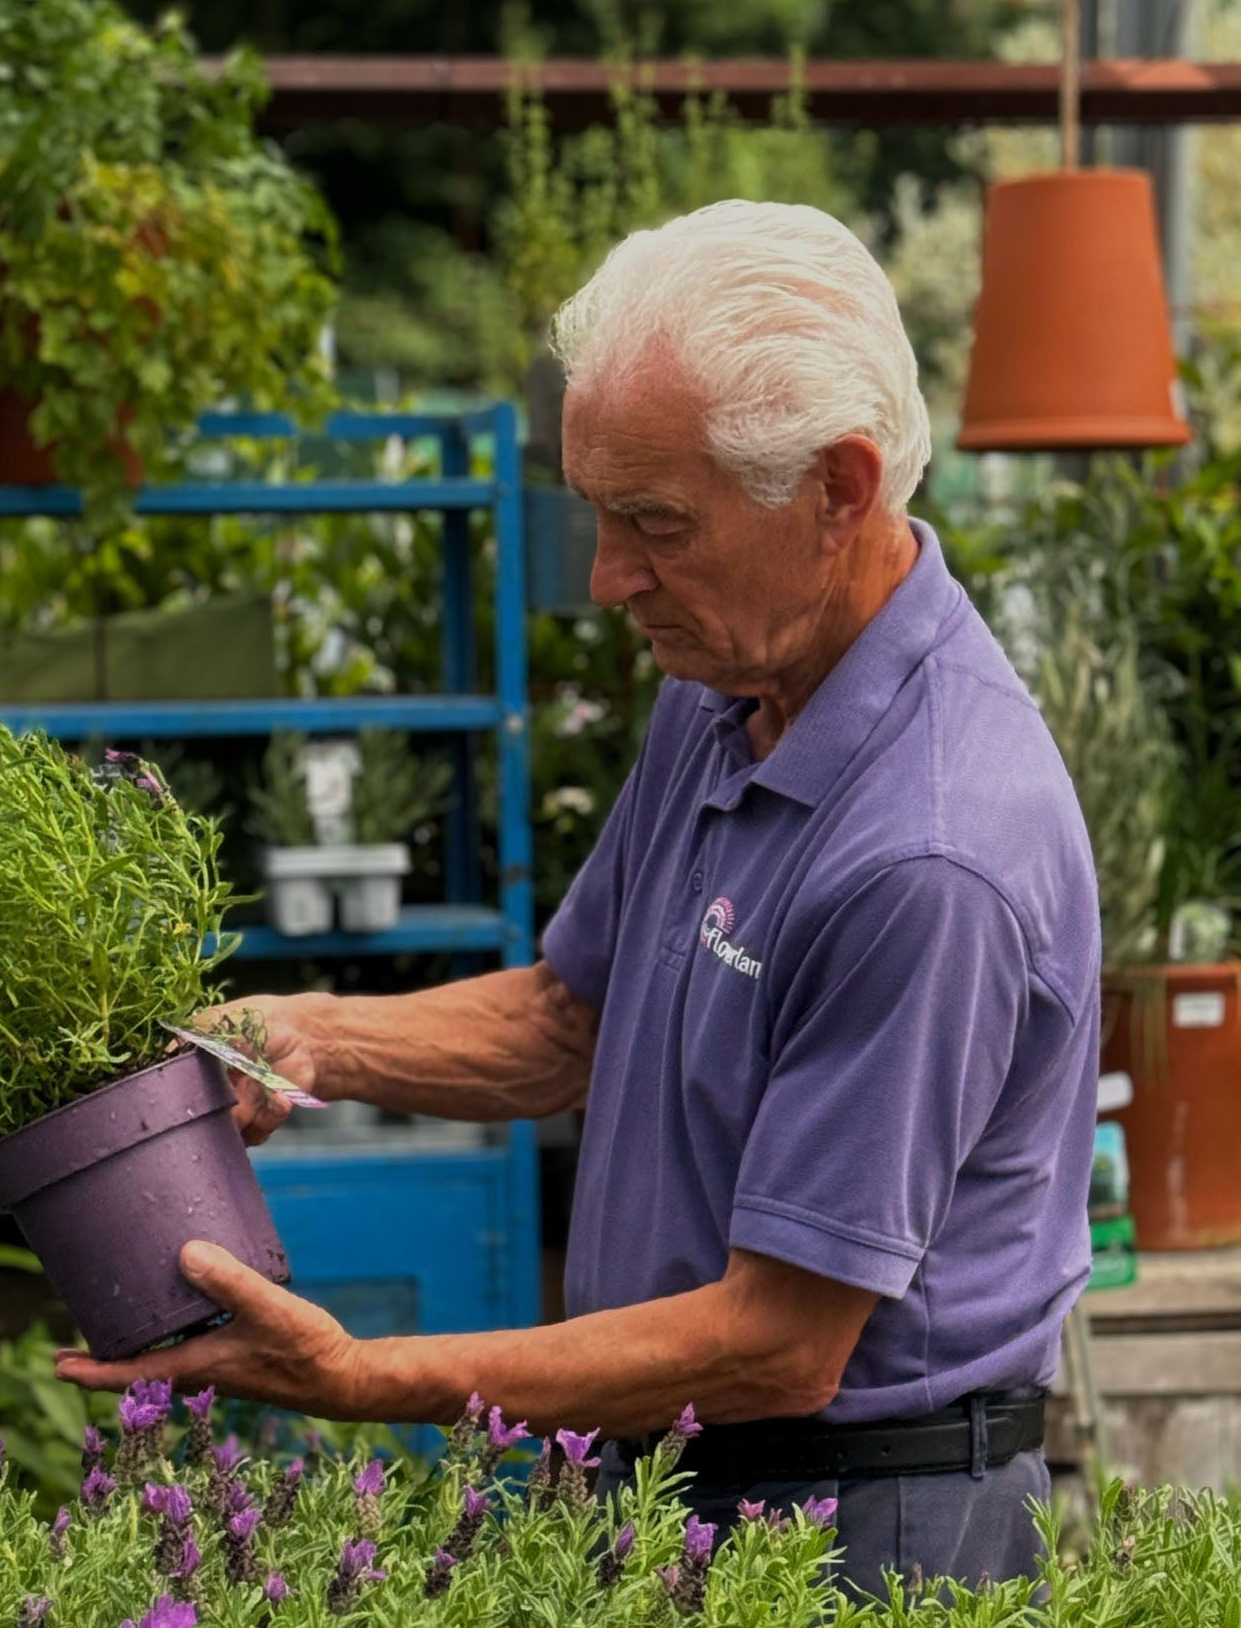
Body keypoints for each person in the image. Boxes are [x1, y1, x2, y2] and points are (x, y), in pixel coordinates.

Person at [56, 200, 1101, 1596]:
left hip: (866, 1533)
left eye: (654, 523)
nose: (609, 579)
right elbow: (572, 1019)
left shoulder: (929, 854)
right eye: (597, 516)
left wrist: (370, 1373)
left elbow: (780, 1339)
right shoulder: (730, 681)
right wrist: (303, 1036)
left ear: (838, 489)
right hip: (672, 1484)